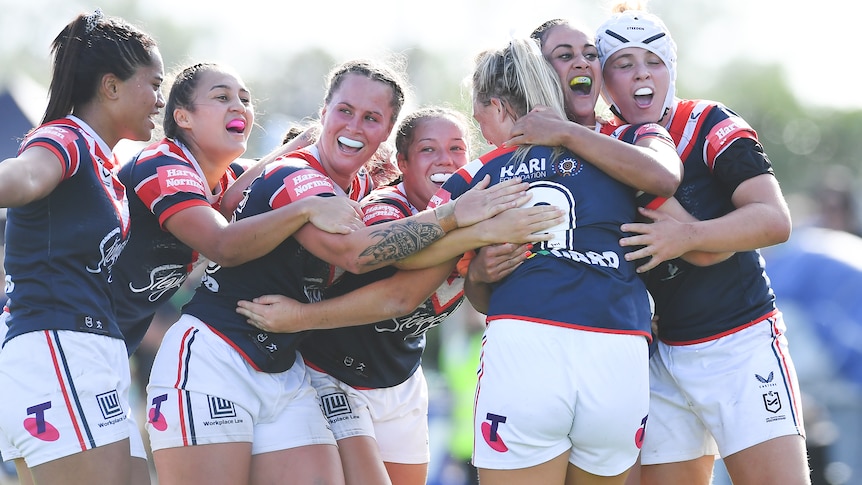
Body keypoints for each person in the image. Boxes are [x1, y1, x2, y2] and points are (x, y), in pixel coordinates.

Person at [143, 59, 547, 485]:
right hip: (217, 356)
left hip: (286, 371)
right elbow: (356, 255)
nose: (355, 127)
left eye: (371, 118)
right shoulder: (298, 174)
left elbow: (231, 199)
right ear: (324, 113)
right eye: (345, 111)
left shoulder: (361, 185)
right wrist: (456, 216)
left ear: (387, 134)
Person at [235, 106, 535, 485]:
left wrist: (479, 272)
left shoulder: (480, 211)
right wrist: (298, 317)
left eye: (457, 149)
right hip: (333, 374)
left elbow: (479, 300)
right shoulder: (387, 207)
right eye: (428, 150)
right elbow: (399, 296)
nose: (445, 159)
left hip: (402, 380)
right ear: (402, 163)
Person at [437, 37, 681, 485]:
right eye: (565, 56)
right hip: (619, 346)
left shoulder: (485, 169)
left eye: (590, 54)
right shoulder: (630, 144)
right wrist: (478, 273)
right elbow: (666, 183)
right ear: (545, 73)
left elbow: (420, 260)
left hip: (528, 342)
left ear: (497, 103)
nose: (582, 63)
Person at [591, 4, 809, 485]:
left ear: (671, 67)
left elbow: (773, 220)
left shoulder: (707, 121)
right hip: (662, 354)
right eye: (623, 64)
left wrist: (686, 236)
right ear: (604, 82)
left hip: (740, 341)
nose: (641, 74)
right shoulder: (604, 144)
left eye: (652, 61)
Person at [0, 9, 163, 485]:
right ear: (111, 87)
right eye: (152, 84)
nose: (159, 99)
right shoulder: (65, 137)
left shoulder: (103, 162)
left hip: (89, 349)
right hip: (56, 343)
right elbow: (25, 177)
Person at [112, 62, 364, 357]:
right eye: (222, 98)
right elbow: (223, 246)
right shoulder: (162, 164)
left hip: (113, 336)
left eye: (245, 100)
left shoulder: (227, 176)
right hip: (75, 325)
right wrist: (307, 209)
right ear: (183, 117)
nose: (239, 107)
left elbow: (272, 172)